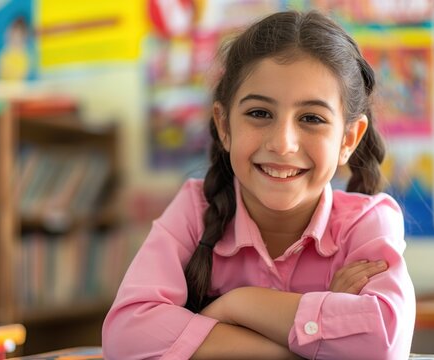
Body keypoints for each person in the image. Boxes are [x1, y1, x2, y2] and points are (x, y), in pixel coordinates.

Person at [102, 10, 416, 360]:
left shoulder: (369, 221)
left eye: (311, 118)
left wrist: (238, 305)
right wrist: (303, 346)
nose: (283, 144)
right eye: (259, 113)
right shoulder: (195, 208)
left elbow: (384, 344)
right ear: (224, 125)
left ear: (348, 139)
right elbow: (125, 336)